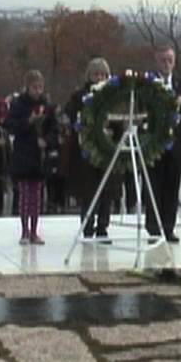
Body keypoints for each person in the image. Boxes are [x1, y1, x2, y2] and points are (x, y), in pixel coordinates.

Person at [145, 45, 181, 242]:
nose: (166, 64)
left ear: (174, 62)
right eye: (163, 60)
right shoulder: (149, 84)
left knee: (172, 187)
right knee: (154, 185)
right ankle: (154, 227)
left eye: (170, 60)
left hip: (176, 144)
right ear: (157, 61)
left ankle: (168, 227)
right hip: (154, 143)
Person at [64, 57, 114, 242]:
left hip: (108, 148)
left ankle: (103, 226)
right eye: (96, 74)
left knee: (106, 189)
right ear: (89, 75)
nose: (99, 77)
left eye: (102, 74)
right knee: (89, 189)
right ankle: (87, 225)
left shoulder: (113, 94)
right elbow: (70, 114)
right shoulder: (79, 96)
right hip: (87, 149)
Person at [6, 70, 49, 244]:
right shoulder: (18, 104)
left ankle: (34, 230)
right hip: (23, 154)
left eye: (40, 87)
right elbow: (10, 125)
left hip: (39, 155)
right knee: (24, 195)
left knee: (37, 196)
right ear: (27, 87)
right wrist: (28, 122)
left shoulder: (45, 104)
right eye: (34, 87)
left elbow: (52, 127)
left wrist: (47, 140)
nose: (38, 91)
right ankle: (24, 231)